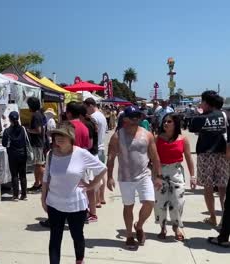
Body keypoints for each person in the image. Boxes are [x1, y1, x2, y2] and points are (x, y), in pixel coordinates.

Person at [41, 123, 106, 264]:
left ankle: (79, 260)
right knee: (55, 238)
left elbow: (102, 169)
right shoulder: (51, 154)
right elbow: (46, 178)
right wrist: (43, 198)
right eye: (56, 135)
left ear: (71, 138)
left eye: (62, 136)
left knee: (77, 236)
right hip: (54, 202)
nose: (58, 139)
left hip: (76, 204)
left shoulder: (81, 154)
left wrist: (91, 185)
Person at [107, 105, 162, 249]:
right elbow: (111, 158)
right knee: (128, 206)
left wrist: (158, 176)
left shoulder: (147, 135)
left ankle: (139, 225)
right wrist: (109, 177)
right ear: (125, 118)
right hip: (125, 177)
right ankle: (129, 235)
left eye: (138, 116)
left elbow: (155, 157)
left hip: (144, 175)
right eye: (132, 117)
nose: (136, 119)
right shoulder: (117, 136)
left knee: (149, 202)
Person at [189, 90, 229, 227]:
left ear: (206, 103)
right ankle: (224, 217)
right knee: (223, 187)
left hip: (206, 154)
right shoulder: (224, 115)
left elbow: (192, 128)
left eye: (202, 101)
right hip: (223, 154)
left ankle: (213, 217)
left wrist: (200, 114)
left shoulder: (200, 118)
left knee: (208, 187)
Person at [154, 113, 195, 241]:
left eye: (169, 121)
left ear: (175, 123)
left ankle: (176, 226)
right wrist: (156, 175)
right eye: (164, 121)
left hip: (176, 172)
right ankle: (162, 227)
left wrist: (192, 175)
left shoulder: (183, 139)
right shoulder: (157, 138)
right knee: (160, 203)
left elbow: (188, 158)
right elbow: (152, 159)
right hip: (160, 172)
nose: (165, 123)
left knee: (178, 202)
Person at [84, 98, 108, 207]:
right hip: (101, 147)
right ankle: (101, 197)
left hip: (95, 149)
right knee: (102, 174)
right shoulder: (102, 115)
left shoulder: (93, 118)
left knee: (94, 177)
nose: (86, 111)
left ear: (90, 106)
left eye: (86, 108)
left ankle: (97, 199)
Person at [2, 111, 28, 201]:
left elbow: (4, 144)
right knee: (23, 175)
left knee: (14, 175)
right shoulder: (23, 129)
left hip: (12, 155)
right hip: (22, 154)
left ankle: (16, 195)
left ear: (9, 119)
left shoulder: (7, 131)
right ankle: (24, 195)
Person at [26, 97, 46, 192]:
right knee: (37, 165)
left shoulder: (36, 116)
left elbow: (38, 130)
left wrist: (28, 130)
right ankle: (37, 183)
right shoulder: (39, 114)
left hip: (38, 144)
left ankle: (43, 184)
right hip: (38, 143)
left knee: (39, 165)